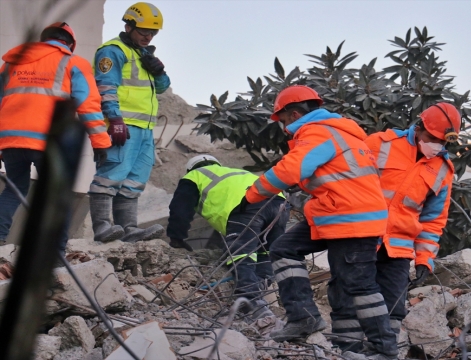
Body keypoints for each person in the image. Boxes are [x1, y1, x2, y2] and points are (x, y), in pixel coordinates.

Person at [243, 85, 398, 360]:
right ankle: (308, 321)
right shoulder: (341, 132)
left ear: (293, 114)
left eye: (281, 121)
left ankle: (383, 350)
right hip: (335, 214)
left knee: (359, 285)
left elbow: (292, 168)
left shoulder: (319, 131)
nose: (282, 127)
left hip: (351, 218)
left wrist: (252, 196)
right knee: (284, 249)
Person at [329, 103, 458, 355]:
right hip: (361, 237)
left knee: (393, 308)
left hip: (398, 248)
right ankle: (346, 350)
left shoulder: (443, 169)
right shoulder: (380, 143)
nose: (436, 145)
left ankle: (382, 353)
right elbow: (346, 181)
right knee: (347, 299)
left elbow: (433, 220)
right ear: (418, 129)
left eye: (442, 142)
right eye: (432, 138)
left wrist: (424, 259)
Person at [0, 22, 111, 252]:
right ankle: (56, 252)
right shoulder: (73, 62)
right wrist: (100, 142)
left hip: (10, 140)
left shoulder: (11, 64)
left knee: (14, 188)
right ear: (69, 44)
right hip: (48, 141)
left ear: (43, 40)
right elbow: (89, 106)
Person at [166, 154, 289, 320]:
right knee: (266, 252)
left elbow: (180, 209)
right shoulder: (235, 172)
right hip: (279, 204)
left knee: (241, 253)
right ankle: (262, 294)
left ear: (190, 169)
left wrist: (176, 237)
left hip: (247, 206)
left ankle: (250, 301)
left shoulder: (194, 176)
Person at [88, 2, 170, 243]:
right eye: (143, 31)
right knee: (110, 174)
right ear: (129, 25)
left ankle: (129, 229)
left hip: (144, 129)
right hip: (123, 125)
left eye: (152, 33)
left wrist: (159, 71)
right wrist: (114, 119)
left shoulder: (143, 54)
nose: (148, 36)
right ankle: (103, 227)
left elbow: (162, 88)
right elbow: (106, 87)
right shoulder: (113, 51)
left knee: (134, 181)